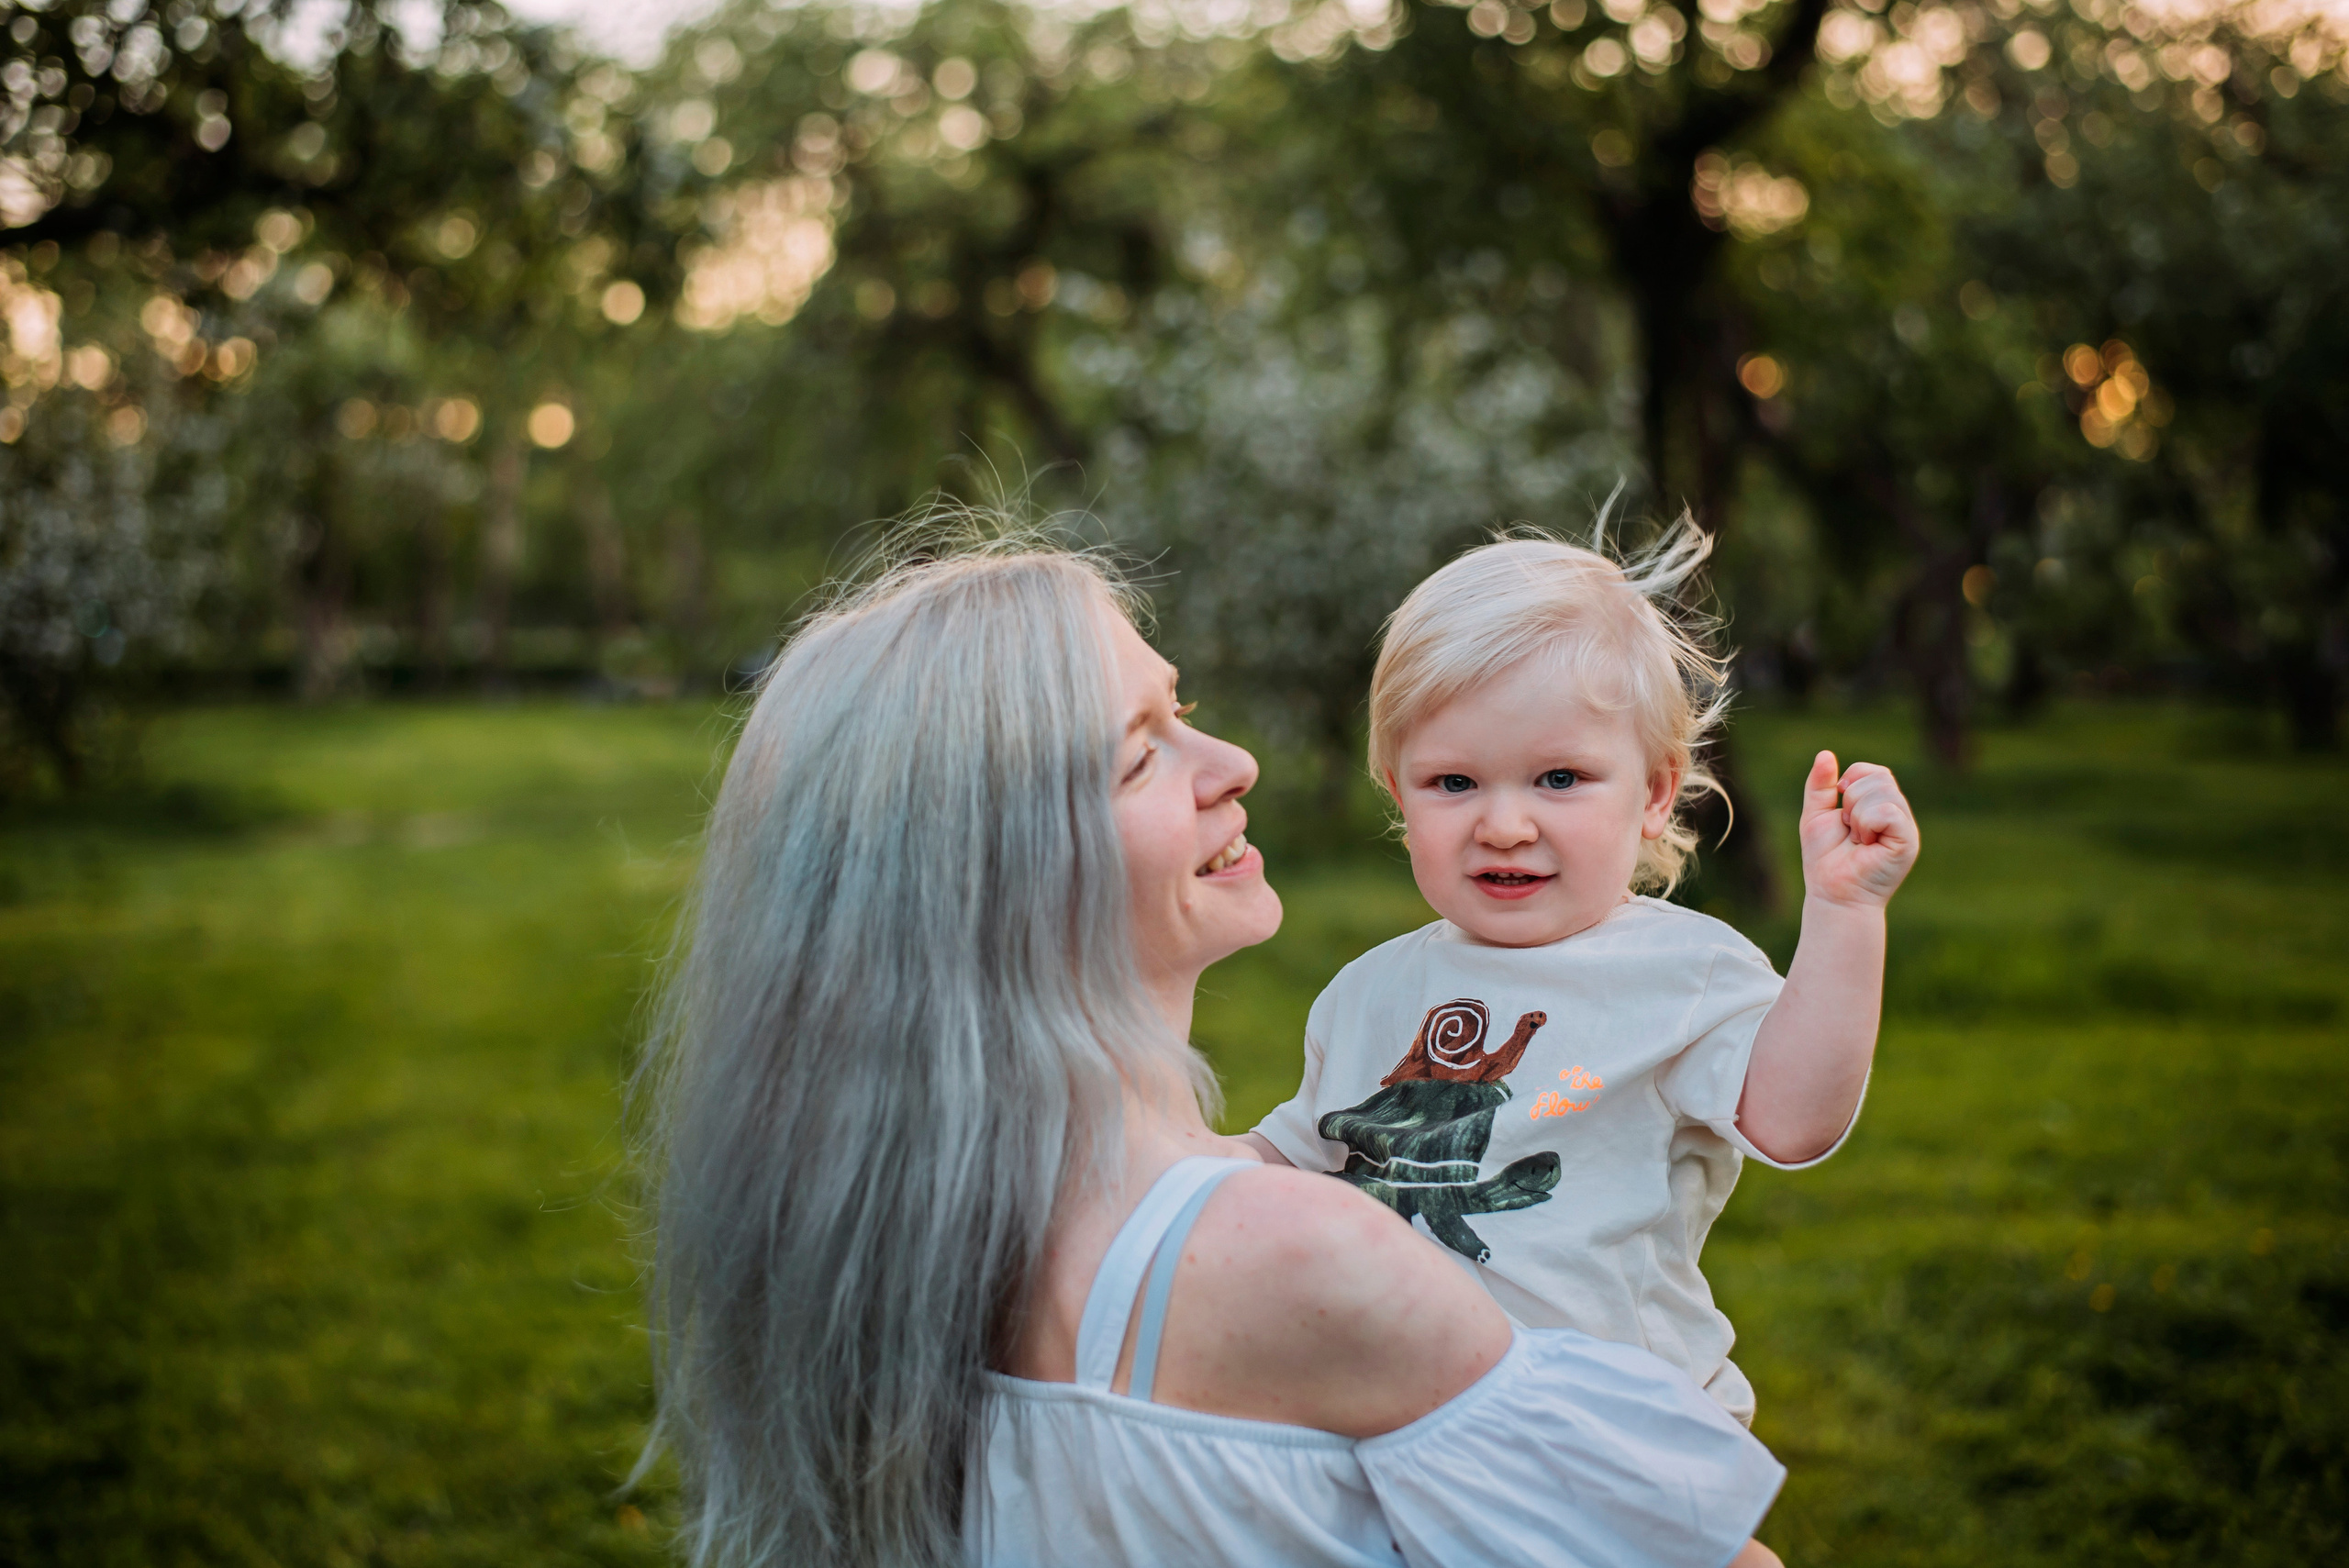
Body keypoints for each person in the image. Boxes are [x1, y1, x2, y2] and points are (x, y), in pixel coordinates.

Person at [635, 534, 1788, 1568]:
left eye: (1180, 707)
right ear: (1001, 866)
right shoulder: (1313, 1260)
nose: (1232, 760)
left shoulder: (921, 1232)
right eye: (1141, 752)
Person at [1242, 516, 1921, 1426]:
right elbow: (1291, 1159)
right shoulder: (1368, 989)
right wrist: (1147, 1157)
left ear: (1653, 792)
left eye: (1558, 778)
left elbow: (1795, 1121)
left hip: (1614, 1421)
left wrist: (1845, 914)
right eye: (1454, 783)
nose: (1505, 825)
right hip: (1414, 1422)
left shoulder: (1680, 969)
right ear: (1400, 793)